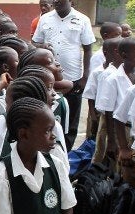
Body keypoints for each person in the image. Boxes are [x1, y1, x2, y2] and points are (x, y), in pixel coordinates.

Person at [32, 0, 95, 151]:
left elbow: (88, 49)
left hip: (73, 78)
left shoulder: (82, 19)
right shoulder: (45, 19)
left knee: (70, 120)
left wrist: (85, 77)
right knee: (47, 116)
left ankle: (65, 153)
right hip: (47, 78)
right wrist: (42, 46)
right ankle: (46, 151)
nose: (56, 1)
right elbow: (34, 43)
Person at [96, 38, 135, 186]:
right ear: (124, 56)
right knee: (119, 167)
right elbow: (108, 110)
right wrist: (112, 141)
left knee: (132, 167)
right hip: (120, 129)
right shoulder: (113, 78)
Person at [90, 37, 123, 165]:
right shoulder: (107, 75)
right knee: (104, 154)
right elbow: (105, 107)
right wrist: (94, 119)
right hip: (109, 121)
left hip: (122, 122)